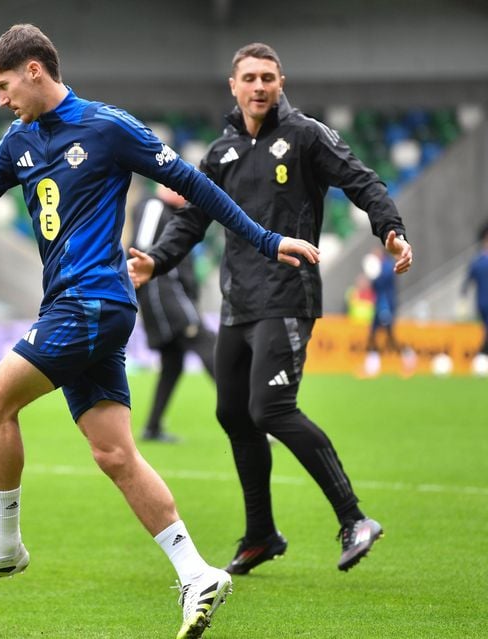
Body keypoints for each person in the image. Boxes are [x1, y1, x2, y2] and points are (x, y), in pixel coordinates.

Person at [0, 25, 318, 639]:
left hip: (93, 301)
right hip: (73, 303)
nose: (2, 101)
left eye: (6, 87)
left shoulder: (109, 127)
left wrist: (268, 241)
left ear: (36, 71)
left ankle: (4, 544)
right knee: (114, 453)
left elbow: (196, 187)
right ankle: (196, 573)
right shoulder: (19, 139)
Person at [128, 42, 413, 575]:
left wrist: (390, 230)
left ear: (281, 83)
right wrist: (156, 262)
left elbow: (362, 179)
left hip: (288, 296)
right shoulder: (221, 152)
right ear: (233, 87)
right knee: (232, 413)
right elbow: (192, 220)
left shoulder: (306, 136)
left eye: (268, 78)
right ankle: (261, 534)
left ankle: (354, 519)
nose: (259, 87)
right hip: (238, 302)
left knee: (271, 410)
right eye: (249, 78)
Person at [130, 184, 216, 443]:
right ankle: (252, 421)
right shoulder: (155, 206)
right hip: (164, 296)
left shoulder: (172, 213)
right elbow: (141, 250)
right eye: (178, 186)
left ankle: (152, 427)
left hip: (170, 296)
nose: (184, 192)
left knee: (173, 362)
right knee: (209, 345)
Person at [362, 247, 416, 377]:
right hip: (379, 305)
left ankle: (408, 356)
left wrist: (371, 276)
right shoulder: (380, 267)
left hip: (386, 306)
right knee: (373, 334)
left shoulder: (387, 267)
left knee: (390, 336)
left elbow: (379, 281)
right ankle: (372, 365)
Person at [463, 221, 488, 371]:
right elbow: (467, 281)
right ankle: (481, 357)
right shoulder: (478, 261)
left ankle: (481, 358)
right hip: (483, 303)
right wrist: (463, 299)